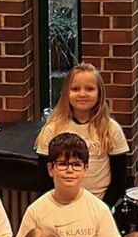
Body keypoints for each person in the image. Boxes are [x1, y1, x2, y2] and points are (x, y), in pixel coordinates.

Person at [34, 63, 130, 206]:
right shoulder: (52, 129)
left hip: (99, 205)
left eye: (90, 89)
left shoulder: (110, 129)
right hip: (61, 206)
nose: (82, 94)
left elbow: (119, 180)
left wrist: (104, 208)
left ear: (99, 94)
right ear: (66, 93)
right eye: (75, 89)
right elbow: (44, 178)